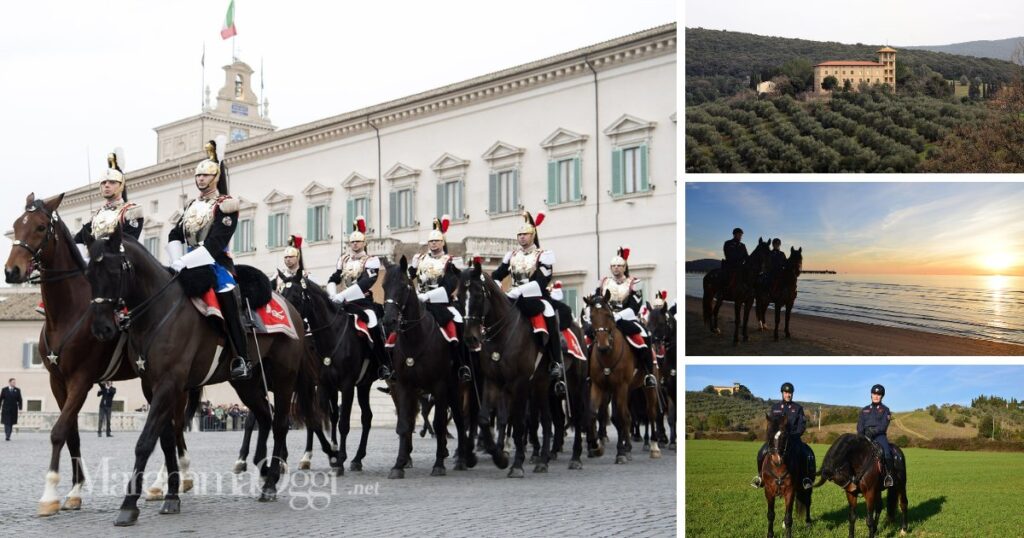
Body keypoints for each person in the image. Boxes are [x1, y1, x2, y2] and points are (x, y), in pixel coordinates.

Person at [166, 136, 251, 380]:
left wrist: (184, 262)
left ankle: (241, 358)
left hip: (216, 264)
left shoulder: (226, 205)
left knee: (227, 299)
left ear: (216, 177)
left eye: (205, 175)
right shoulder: (192, 205)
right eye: (198, 175)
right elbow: (174, 234)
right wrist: (176, 259)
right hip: (188, 261)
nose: (200, 179)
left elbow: (214, 244)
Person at [491, 211, 566, 395]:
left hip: (535, 297)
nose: (522, 237)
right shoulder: (512, 256)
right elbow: (497, 275)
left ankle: (556, 362)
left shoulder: (544, 255)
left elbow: (541, 283)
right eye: (520, 235)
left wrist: (518, 291)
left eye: (525, 234)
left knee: (549, 315)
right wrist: (497, 285)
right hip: (512, 297)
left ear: (533, 235)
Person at [326, 216, 390, 379]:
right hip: (344, 302)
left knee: (373, 320)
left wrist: (341, 295)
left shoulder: (371, 261)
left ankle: (383, 363)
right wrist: (332, 294)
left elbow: (365, 283)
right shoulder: (344, 259)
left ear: (364, 243)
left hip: (363, 302)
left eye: (358, 241)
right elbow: (334, 278)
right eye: (352, 242)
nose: (354, 244)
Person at [408, 215, 470, 382]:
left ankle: (462, 364)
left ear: (443, 242)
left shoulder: (450, 261)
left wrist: (426, 296)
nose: (433, 243)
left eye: (436, 241)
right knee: (395, 327)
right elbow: (407, 278)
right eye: (431, 241)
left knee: (457, 323)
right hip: (419, 304)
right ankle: (393, 367)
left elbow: (449, 285)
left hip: (440, 304)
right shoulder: (419, 259)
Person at [596, 247, 657, 388]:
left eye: (619, 266)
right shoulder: (604, 282)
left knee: (645, 335)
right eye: (613, 266)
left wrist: (618, 316)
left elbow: (635, 306)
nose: (616, 268)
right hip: (605, 318)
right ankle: (586, 371)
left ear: (624, 267)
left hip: (625, 318)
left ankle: (648, 374)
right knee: (587, 337)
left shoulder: (634, 283)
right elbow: (596, 299)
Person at [751, 382, 815, 490]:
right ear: (782, 393)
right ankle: (760, 477)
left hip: (793, 439)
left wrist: (795, 435)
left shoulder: (798, 408)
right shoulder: (775, 407)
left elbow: (802, 425)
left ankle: (805, 479)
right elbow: (771, 424)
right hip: (777, 440)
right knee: (761, 452)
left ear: (792, 394)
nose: (788, 395)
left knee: (807, 454)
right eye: (786, 392)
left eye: (790, 393)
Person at [858, 384, 895, 488]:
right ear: (871, 394)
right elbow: (860, 424)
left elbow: (884, 425)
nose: (876, 396)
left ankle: (888, 476)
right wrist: (861, 434)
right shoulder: (864, 409)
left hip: (879, 436)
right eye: (874, 394)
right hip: (864, 436)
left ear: (882, 396)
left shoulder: (885, 410)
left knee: (886, 452)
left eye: (879, 394)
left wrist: (873, 432)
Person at [718, 227, 748, 298]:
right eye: (739, 235)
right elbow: (728, 255)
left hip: (740, 266)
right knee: (725, 276)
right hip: (730, 265)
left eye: (741, 235)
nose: (740, 236)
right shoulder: (728, 243)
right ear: (734, 234)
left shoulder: (742, 245)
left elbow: (746, 256)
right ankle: (720, 291)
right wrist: (739, 260)